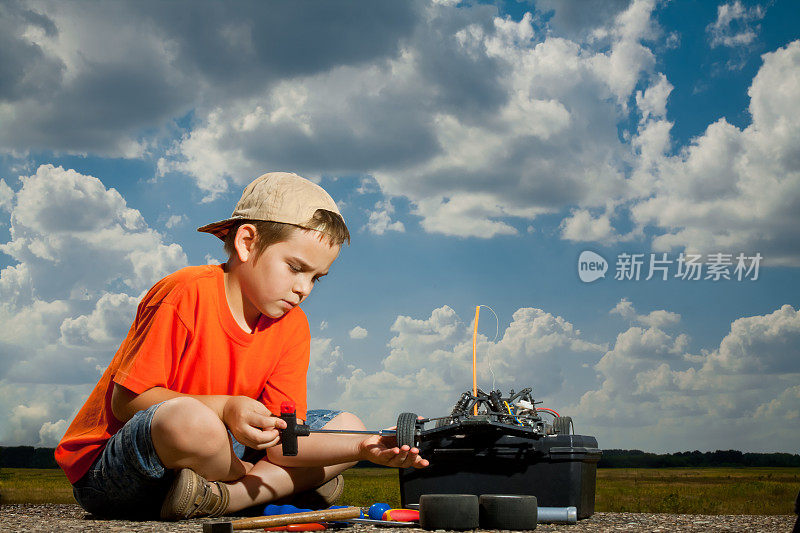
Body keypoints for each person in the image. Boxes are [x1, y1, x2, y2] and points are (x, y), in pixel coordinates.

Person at [54, 171, 429, 521]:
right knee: (190, 420)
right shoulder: (185, 291)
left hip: (213, 464)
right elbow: (127, 401)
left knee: (350, 427)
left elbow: (285, 443)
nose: (304, 289)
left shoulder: (293, 326)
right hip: (122, 471)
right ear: (247, 242)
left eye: (318, 278)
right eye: (296, 268)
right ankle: (267, 487)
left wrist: (363, 449)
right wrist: (227, 408)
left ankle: (228, 496)